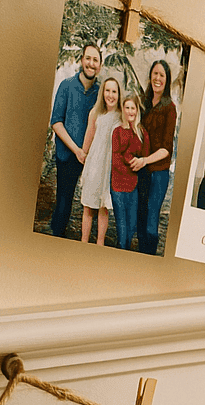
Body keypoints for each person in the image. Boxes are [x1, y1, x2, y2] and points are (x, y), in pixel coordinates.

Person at [48, 42, 101, 237]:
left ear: (100, 65)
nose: (91, 63)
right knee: (65, 199)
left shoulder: (101, 93)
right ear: (81, 60)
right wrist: (76, 150)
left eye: (95, 60)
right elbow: (56, 122)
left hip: (90, 157)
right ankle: (56, 235)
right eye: (88, 58)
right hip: (67, 154)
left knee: (90, 203)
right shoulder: (67, 85)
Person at [132, 59, 178, 255]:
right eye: (155, 74)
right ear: (150, 76)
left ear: (167, 80)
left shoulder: (170, 108)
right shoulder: (143, 102)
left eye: (162, 75)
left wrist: (145, 160)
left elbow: (166, 149)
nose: (157, 78)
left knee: (151, 220)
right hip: (141, 170)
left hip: (158, 173)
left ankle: (149, 256)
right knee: (140, 217)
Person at [77, 76, 122, 245]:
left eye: (114, 91)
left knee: (103, 207)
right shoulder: (95, 113)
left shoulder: (121, 116)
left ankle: (100, 243)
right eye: (107, 91)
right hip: (95, 163)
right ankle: (84, 241)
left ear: (119, 94)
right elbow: (89, 136)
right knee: (88, 205)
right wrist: (83, 153)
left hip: (109, 166)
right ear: (103, 93)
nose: (110, 95)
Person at [109, 96, 146, 250]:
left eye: (133, 108)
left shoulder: (141, 132)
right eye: (127, 108)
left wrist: (136, 161)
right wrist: (131, 166)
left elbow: (145, 153)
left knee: (131, 226)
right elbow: (116, 159)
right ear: (123, 110)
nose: (130, 111)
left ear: (137, 110)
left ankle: (126, 251)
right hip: (118, 184)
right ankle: (121, 251)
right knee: (122, 227)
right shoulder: (117, 131)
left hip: (133, 185)